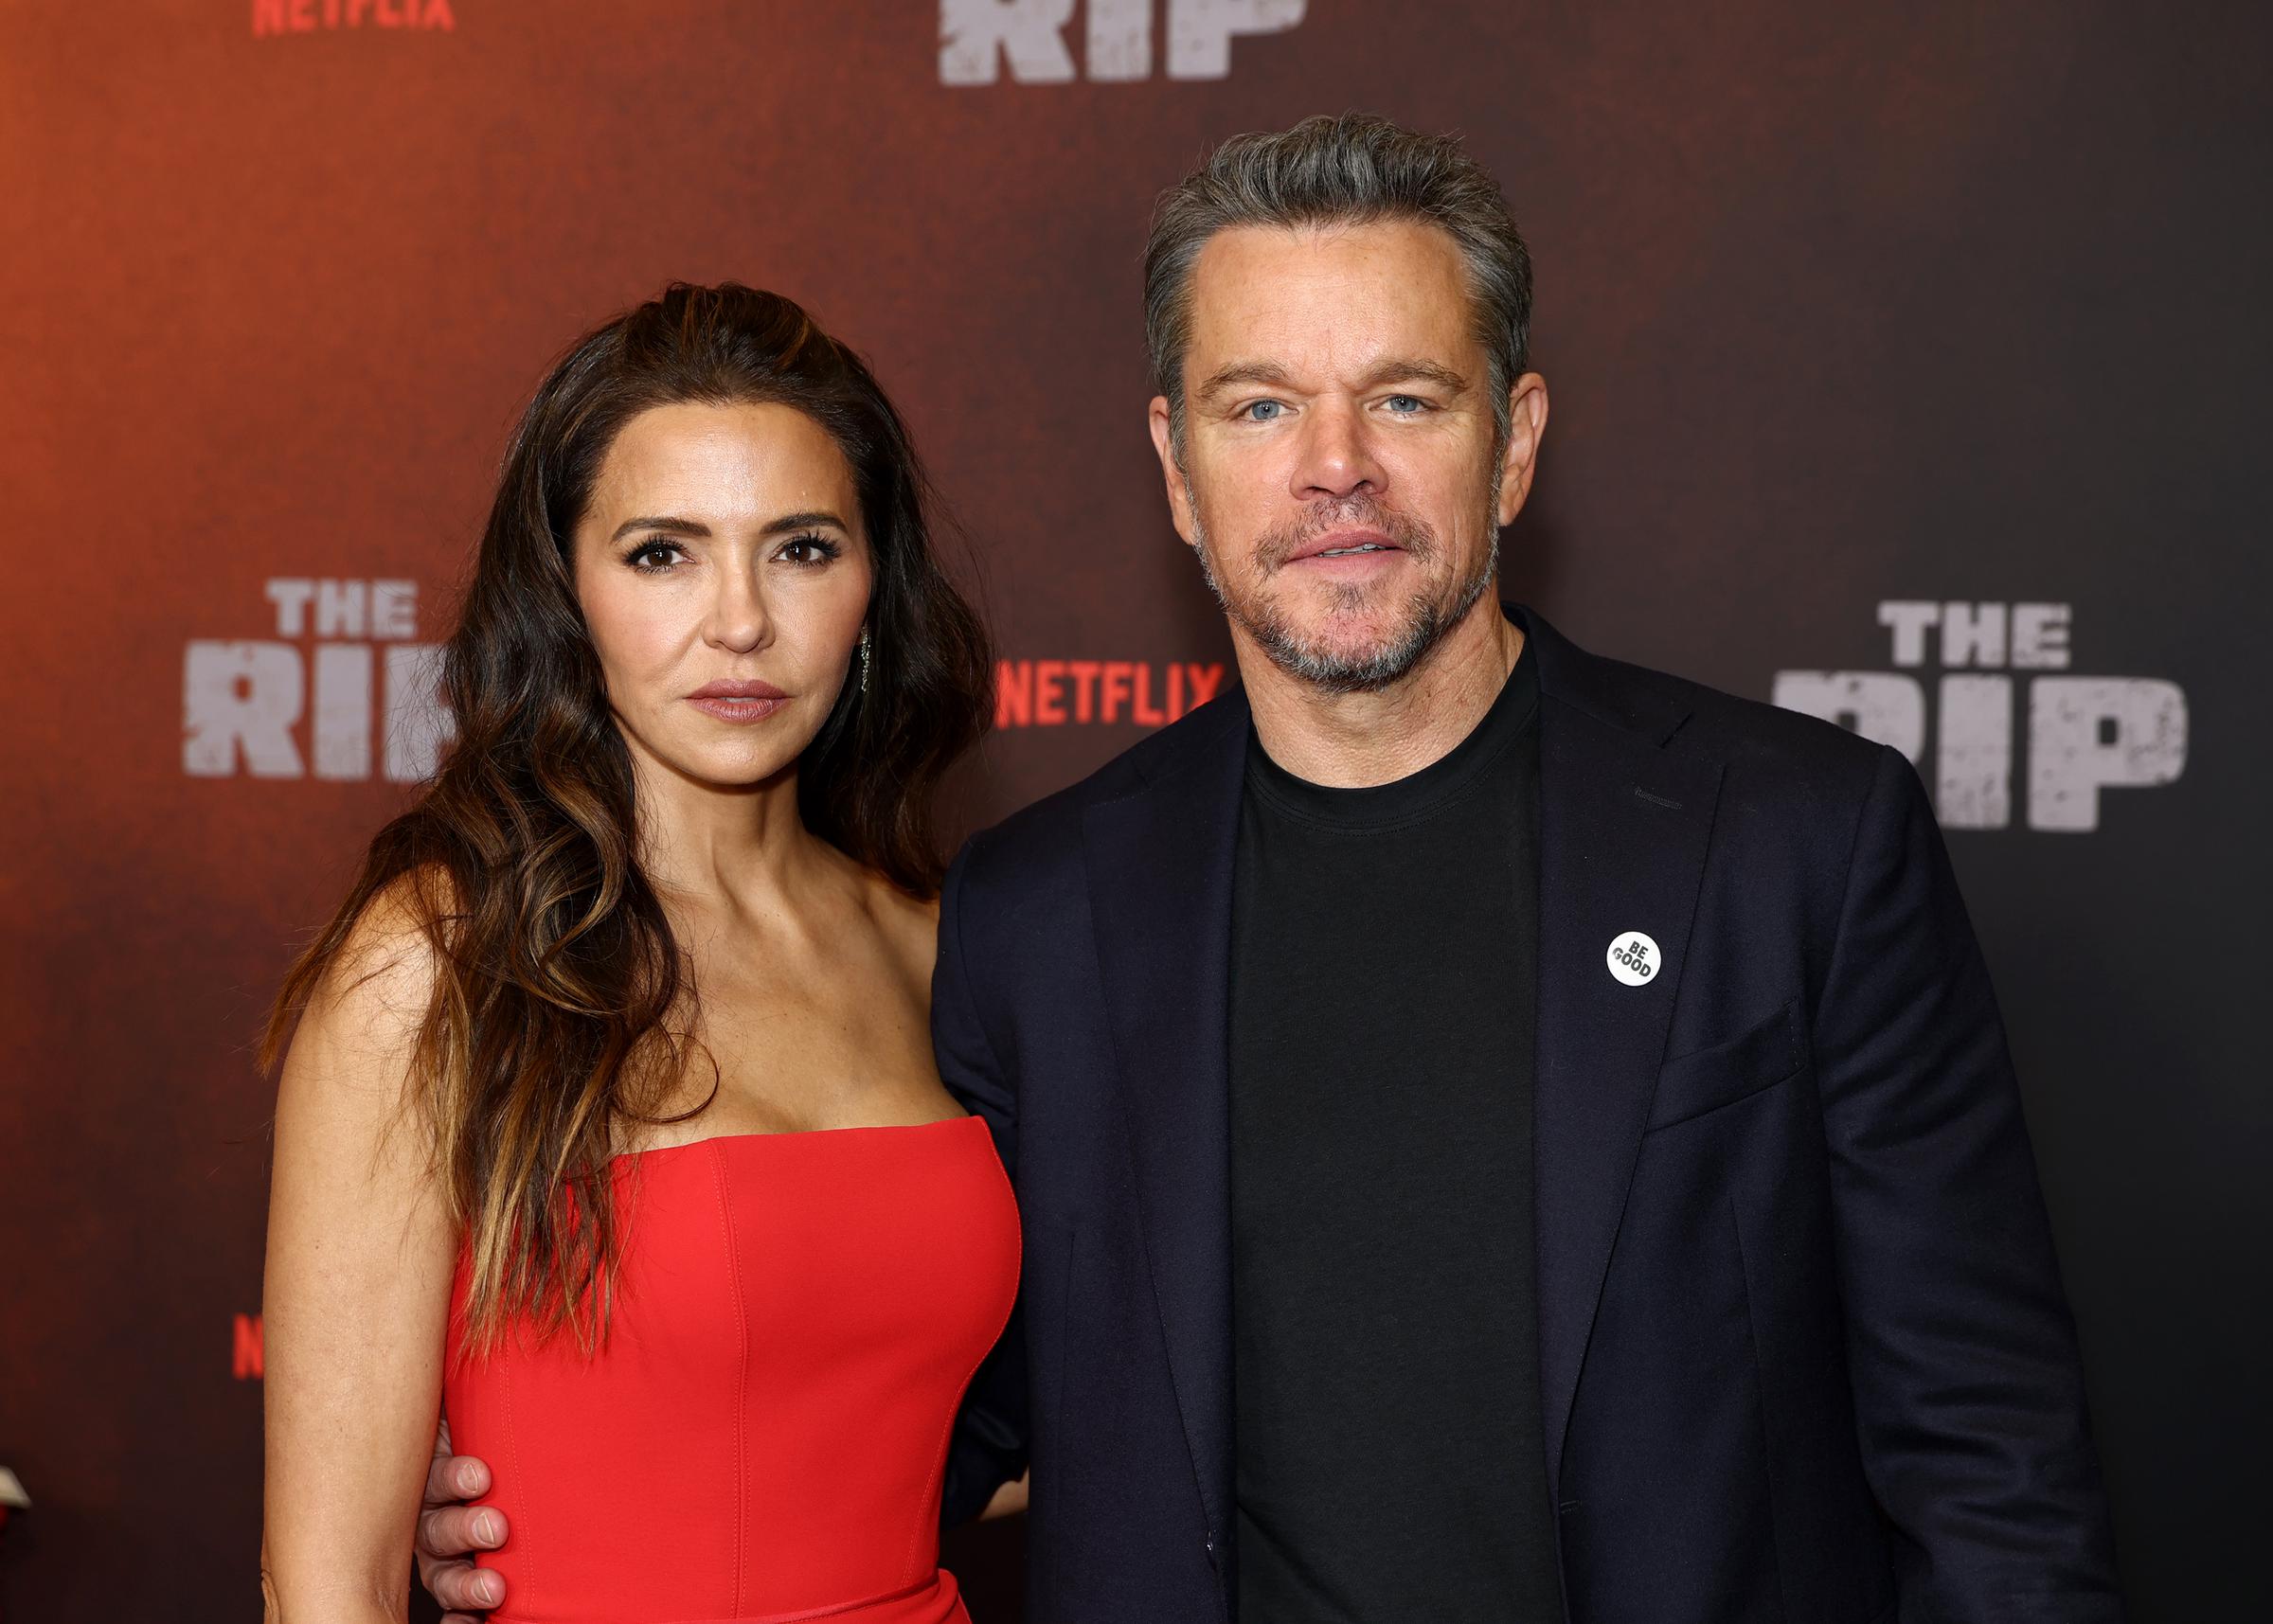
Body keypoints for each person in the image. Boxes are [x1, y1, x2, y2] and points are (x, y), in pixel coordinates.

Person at [420, 117, 2123, 1622]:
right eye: (1260, 405)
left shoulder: (1799, 840)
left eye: (1404, 395)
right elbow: (963, 1406)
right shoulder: (1037, 910)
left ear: (1513, 440)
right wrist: (568, 1503)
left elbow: (1987, 1456)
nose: (1335, 468)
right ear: (1175, 468)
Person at [260, 282, 1021, 1624]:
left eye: (800, 548)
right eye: (663, 553)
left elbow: (1029, 1421)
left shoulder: (947, 946)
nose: (740, 621)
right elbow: (328, 1590)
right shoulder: (439, 966)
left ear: (874, 582)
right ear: (565, 589)